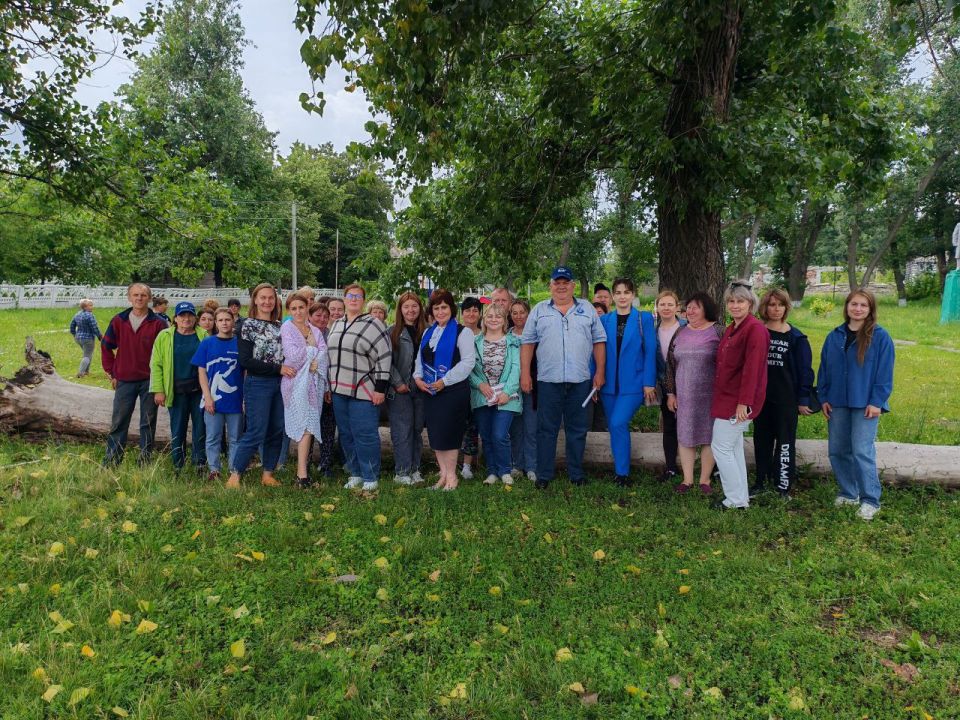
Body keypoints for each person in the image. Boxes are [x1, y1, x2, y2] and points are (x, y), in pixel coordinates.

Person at [520, 266, 606, 488]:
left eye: (565, 282)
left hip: (580, 381)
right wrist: (525, 374)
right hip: (548, 381)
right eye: (556, 282)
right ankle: (544, 474)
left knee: (577, 429)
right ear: (550, 285)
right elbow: (527, 343)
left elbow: (599, 341)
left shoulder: (587, 309)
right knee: (546, 429)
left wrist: (600, 372)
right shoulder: (539, 310)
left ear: (572, 285)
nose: (561, 286)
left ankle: (576, 473)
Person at [818, 289, 895, 521]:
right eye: (854, 304)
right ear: (847, 307)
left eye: (863, 305)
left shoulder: (880, 337)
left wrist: (877, 401)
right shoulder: (835, 336)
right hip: (837, 401)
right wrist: (823, 397)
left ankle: (870, 500)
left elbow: (884, 374)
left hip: (866, 404)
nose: (858, 309)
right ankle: (849, 492)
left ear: (870, 309)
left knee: (862, 451)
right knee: (838, 450)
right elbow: (824, 369)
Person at [226, 283, 293, 489]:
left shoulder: (280, 326)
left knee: (276, 430)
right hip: (258, 384)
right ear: (255, 300)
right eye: (262, 298)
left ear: (275, 301)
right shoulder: (246, 326)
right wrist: (277, 369)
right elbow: (246, 361)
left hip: (280, 384)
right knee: (256, 430)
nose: (267, 302)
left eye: (270, 298)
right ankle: (235, 474)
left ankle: (268, 473)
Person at [710, 281, 769, 510]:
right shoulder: (733, 327)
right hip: (726, 396)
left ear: (750, 303)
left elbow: (752, 369)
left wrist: (744, 403)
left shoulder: (755, 329)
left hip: (739, 400)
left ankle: (734, 500)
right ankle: (740, 497)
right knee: (732, 448)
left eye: (740, 301)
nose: (735, 305)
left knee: (721, 447)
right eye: (731, 301)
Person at [327, 282, 392, 491]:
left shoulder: (373, 324)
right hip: (338, 390)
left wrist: (380, 389)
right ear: (344, 299)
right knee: (346, 434)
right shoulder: (336, 324)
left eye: (358, 296)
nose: (353, 299)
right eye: (350, 296)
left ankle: (370, 475)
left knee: (365, 434)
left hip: (364, 390)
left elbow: (384, 357)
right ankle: (355, 472)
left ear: (363, 301)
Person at [751, 288, 815, 500]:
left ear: (786, 307)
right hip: (761, 399)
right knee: (761, 441)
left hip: (786, 400)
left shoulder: (796, 337)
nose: (776, 309)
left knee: (785, 443)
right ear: (765, 308)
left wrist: (803, 398)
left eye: (780, 305)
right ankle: (761, 481)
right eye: (771, 305)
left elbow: (806, 370)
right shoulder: (758, 332)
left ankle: (783, 486)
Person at [414, 289, 477, 490]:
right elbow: (420, 359)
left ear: (451, 308)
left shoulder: (462, 332)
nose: (440, 312)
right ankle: (443, 475)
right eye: (436, 308)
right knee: (437, 434)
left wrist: (445, 381)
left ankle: (452, 477)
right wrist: (417, 378)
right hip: (431, 391)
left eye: (444, 307)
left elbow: (468, 362)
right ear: (431, 310)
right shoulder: (428, 332)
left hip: (453, 391)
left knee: (449, 435)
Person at [102, 283, 168, 466]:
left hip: (150, 380)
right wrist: (111, 372)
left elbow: (165, 354)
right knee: (119, 422)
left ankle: (144, 461)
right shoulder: (119, 321)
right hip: (124, 379)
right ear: (129, 297)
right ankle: (112, 460)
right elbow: (106, 346)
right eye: (136, 295)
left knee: (147, 423)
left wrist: (161, 382)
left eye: (143, 295)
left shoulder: (158, 323)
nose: (139, 298)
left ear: (149, 298)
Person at [664, 292, 724, 494]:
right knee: (685, 435)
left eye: (695, 307)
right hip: (685, 395)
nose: (689, 311)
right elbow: (670, 365)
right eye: (688, 307)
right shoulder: (680, 332)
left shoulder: (719, 331)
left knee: (710, 435)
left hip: (711, 395)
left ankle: (704, 480)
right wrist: (671, 393)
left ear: (706, 309)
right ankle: (687, 479)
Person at [600, 278, 657, 486]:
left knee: (618, 422)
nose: (622, 296)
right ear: (613, 296)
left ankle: (622, 472)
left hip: (633, 383)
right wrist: (595, 379)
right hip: (608, 384)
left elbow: (650, 351)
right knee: (615, 427)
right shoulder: (605, 320)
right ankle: (620, 471)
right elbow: (596, 353)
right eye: (618, 292)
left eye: (626, 292)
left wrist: (649, 381)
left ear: (633, 295)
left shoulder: (644, 319)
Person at [149, 301, 208, 472]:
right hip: (176, 390)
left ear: (195, 318)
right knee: (178, 428)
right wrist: (159, 389)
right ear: (175, 318)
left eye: (190, 315)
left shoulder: (203, 335)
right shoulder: (165, 336)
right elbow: (156, 364)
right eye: (182, 315)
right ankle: (178, 464)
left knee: (200, 427)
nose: (186, 319)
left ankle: (200, 462)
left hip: (198, 390)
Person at [281, 292, 328, 489]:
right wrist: (311, 352)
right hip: (294, 386)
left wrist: (315, 359)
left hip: (313, 386)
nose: (298, 312)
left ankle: (302, 474)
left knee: (308, 427)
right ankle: (300, 472)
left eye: (301, 307)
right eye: (294, 309)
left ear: (307, 308)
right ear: (289, 311)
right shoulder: (287, 328)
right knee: (301, 427)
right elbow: (292, 357)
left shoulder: (315, 331)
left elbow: (324, 353)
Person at [470, 303, 521, 485]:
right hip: (482, 396)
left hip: (506, 398)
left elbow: (516, 369)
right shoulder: (475, 343)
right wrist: (479, 384)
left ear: (504, 320)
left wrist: (507, 392)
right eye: (490, 316)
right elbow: (469, 370)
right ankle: (492, 471)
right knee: (487, 435)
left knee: (500, 434)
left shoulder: (513, 343)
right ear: (484, 319)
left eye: (498, 316)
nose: (493, 319)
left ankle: (505, 470)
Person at [192, 308, 243, 481]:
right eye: (220, 320)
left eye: (227, 320)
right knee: (213, 436)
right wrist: (207, 396)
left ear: (233, 321)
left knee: (235, 437)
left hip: (235, 398)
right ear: (215, 322)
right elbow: (201, 372)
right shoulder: (207, 343)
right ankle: (214, 469)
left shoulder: (240, 343)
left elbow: (244, 372)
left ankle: (233, 469)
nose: (224, 323)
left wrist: (244, 398)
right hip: (213, 398)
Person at [388, 291, 428, 485]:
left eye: (414, 306)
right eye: (406, 306)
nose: (411, 310)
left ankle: (415, 469)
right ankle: (401, 472)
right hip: (400, 389)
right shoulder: (392, 332)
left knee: (416, 430)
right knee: (402, 430)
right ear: (400, 310)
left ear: (420, 308)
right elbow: (386, 362)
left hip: (422, 388)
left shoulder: (428, 331)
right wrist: (398, 383)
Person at [654, 290, 686, 482]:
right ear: (657, 307)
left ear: (677, 307)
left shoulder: (686, 328)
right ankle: (671, 467)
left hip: (686, 383)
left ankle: (709, 467)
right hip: (665, 385)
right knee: (670, 425)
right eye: (662, 304)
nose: (666, 308)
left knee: (689, 424)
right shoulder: (652, 330)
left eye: (669, 304)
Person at [509, 299, 537, 481]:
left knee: (531, 427)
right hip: (511, 388)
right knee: (515, 428)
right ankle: (517, 465)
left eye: (522, 312)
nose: (518, 316)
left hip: (532, 387)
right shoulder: (507, 335)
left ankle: (532, 466)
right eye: (514, 313)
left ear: (529, 313)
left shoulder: (536, 335)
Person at [309, 301, 338, 477]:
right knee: (309, 428)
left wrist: (329, 386)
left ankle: (326, 464)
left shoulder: (332, 334)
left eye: (325, 316)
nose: (322, 319)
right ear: (310, 317)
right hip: (309, 388)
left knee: (327, 428)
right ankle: (305, 461)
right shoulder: (304, 335)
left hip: (329, 388)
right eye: (318, 315)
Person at [458, 296, 484, 479]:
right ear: (462, 313)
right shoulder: (455, 333)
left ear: (480, 313)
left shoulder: (485, 334)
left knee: (472, 427)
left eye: (475, 310)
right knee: (454, 425)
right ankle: (448, 463)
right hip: (456, 386)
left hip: (479, 388)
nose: (471, 314)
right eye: (467, 310)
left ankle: (467, 465)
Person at [70, 298, 102, 377]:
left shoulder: (77, 314)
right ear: (84, 307)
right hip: (88, 339)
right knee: (87, 356)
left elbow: (72, 325)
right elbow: (94, 327)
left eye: (92, 305)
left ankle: (86, 372)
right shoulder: (90, 315)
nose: (92, 307)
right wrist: (100, 336)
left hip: (78, 338)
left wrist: (74, 334)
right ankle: (80, 373)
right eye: (90, 305)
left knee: (88, 354)